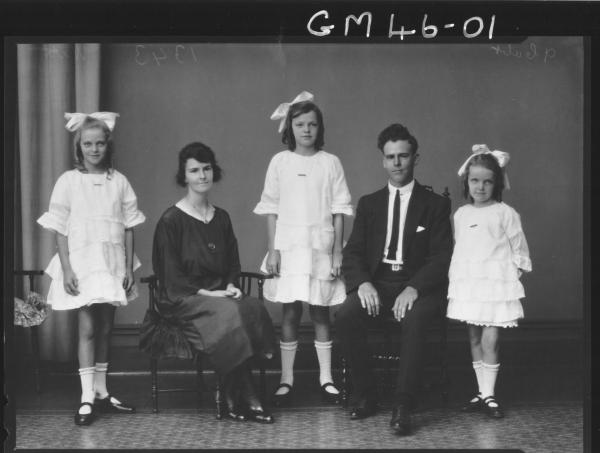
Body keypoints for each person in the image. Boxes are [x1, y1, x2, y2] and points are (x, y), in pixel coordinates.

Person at [335, 123, 453, 436]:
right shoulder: (369, 204)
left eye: (403, 156)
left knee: (415, 319)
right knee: (346, 315)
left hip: (419, 286)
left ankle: (403, 404)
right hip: (378, 283)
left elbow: (442, 257)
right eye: (391, 157)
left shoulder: (436, 205)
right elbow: (353, 253)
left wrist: (414, 287)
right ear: (383, 161)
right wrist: (362, 283)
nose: (397, 163)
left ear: (416, 158)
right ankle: (367, 394)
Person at [151, 142, 276, 423]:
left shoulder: (221, 218)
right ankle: (248, 394)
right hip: (183, 297)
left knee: (252, 306)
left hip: (219, 293)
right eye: (194, 170)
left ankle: (232, 394)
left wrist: (231, 285)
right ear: (184, 177)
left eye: (206, 168)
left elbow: (232, 262)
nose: (202, 175)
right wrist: (208, 292)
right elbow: (170, 275)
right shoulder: (171, 220)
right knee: (229, 313)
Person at [37, 112, 145, 426]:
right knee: (87, 329)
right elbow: (60, 229)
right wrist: (68, 269)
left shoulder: (119, 181)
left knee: (106, 329)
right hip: (82, 265)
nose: (94, 149)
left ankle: (101, 390)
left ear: (107, 146)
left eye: (99, 143)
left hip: (111, 265)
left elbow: (128, 228)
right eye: (88, 144)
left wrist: (126, 268)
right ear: (79, 146)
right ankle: (86, 397)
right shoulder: (69, 181)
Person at [254, 91, 353, 406]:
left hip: (320, 246)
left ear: (319, 128)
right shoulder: (280, 162)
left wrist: (337, 251)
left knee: (321, 311)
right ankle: (287, 379)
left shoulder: (330, 163)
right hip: (289, 246)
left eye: (312, 124)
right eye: (300, 124)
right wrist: (273, 250)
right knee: (291, 311)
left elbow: (339, 210)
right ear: (289, 128)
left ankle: (327, 378)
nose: (306, 130)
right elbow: (271, 208)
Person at [447, 144, 532, 419]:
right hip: (471, 283)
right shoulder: (461, 215)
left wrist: (510, 276)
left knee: (490, 339)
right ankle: (482, 392)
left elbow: (519, 248)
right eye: (475, 181)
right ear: (467, 182)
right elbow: (462, 248)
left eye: (487, 181)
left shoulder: (505, 212)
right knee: (474, 336)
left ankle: (490, 394)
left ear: (496, 183)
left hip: (494, 284)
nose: (480, 187)